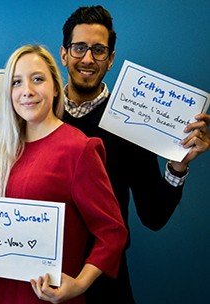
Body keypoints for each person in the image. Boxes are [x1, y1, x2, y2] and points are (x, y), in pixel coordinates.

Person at [59, 6, 210, 303]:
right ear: (64, 54)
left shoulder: (130, 121)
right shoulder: (37, 115)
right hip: (44, 272)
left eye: (99, 50)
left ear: (111, 59)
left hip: (106, 281)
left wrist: (178, 166)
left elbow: (153, 216)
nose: (88, 59)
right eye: (79, 48)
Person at [0, 45, 128, 304]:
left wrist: (80, 284)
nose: (26, 90)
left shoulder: (79, 148)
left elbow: (113, 231)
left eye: (37, 79)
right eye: (17, 82)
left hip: (53, 298)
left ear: (55, 86)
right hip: (5, 297)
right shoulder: (3, 151)